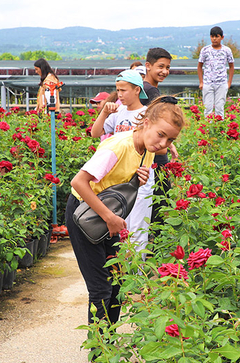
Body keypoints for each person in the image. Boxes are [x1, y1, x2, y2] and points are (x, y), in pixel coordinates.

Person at [67, 96, 184, 329]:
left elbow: (118, 180)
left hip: (107, 214)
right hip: (85, 215)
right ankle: (100, 351)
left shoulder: (148, 149)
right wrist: (110, 217)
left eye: (170, 139)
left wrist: (136, 182)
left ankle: (109, 341)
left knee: (118, 282)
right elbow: (79, 182)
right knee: (100, 288)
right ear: (146, 123)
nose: (163, 143)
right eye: (161, 134)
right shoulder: (118, 147)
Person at [139, 47, 179, 234]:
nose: (165, 71)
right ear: (148, 66)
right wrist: (166, 147)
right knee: (159, 206)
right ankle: (156, 251)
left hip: (152, 153)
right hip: (156, 157)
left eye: (168, 67)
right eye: (160, 66)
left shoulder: (143, 88)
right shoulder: (151, 92)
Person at [90, 70, 147, 139]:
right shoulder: (118, 111)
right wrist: (104, 113)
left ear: (137, 90)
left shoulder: (146, 114)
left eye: (123, 90)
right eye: (118, 90)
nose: (119, 95)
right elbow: (95, 133)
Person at [197, 26, 235, 118]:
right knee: (207, 109)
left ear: (222, 37)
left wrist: (229, 82)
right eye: (212, 36)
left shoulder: (227, 50)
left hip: (221, 83)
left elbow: (231, 66)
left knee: (220, 108)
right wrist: (201, 82)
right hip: (208, 83)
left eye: (217, 36)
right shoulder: (205, 50)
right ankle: (207, 130)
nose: (214, 39)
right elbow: (199, 66)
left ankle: (219, 129)